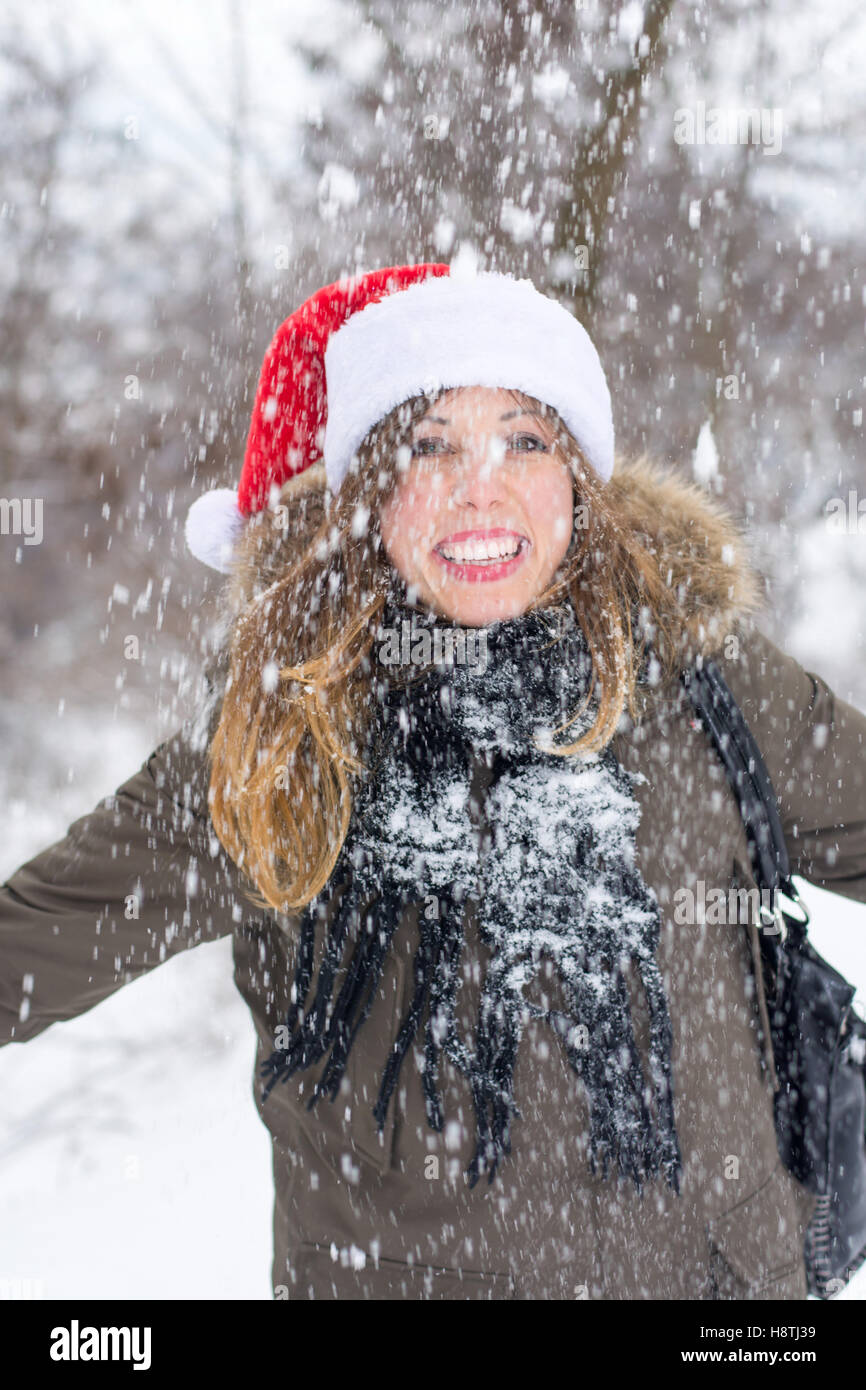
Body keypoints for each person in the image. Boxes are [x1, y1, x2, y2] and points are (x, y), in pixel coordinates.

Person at [2, 262, 865, 1301]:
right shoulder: (287, 736)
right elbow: (34, 942)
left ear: (579, 478)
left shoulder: (697, 674)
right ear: (368, 491)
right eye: (427, 445)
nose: (479, 482)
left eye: (526, 437)